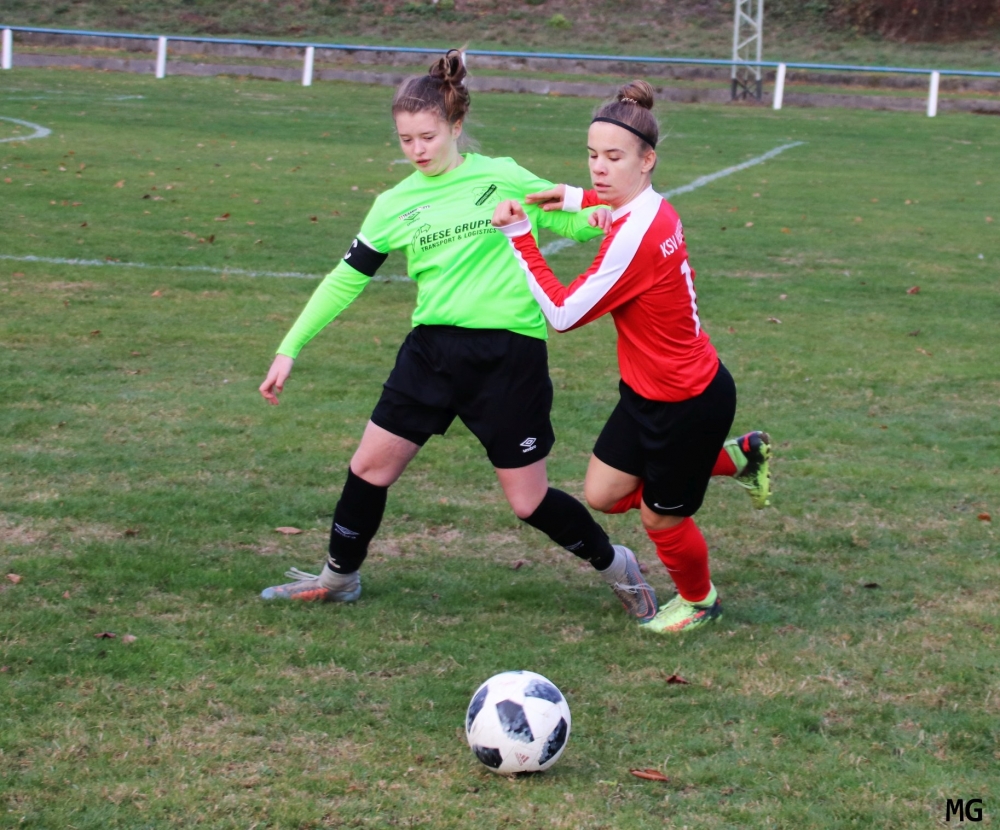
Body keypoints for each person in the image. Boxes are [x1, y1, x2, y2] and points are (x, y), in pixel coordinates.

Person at [257, 51, 659, 622]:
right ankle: (338, 578)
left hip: (507, 355)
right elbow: (345, 279)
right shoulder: (393, 204)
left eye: (428, 136)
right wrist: (289, 347)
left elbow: (566, 214)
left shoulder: (502, 174)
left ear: (456, 126)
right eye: (406, 140)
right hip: (431, 354)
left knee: (528, 502)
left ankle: (617, 565)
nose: (418, 150)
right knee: (369, 467)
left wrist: (594, 219)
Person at [491, 80, 771, 634]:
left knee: (660, 518)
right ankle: (740, 458)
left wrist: (520, 236)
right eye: (593, 155)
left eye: (614, 158)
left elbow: (563, 313)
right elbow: (622, 203)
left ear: (647, 160)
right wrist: (577, 197)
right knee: (602, 494)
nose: (599, 168)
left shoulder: (636, 237)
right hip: (647, 391)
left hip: (688, 401)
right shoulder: (654, 209)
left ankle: (700, 601)